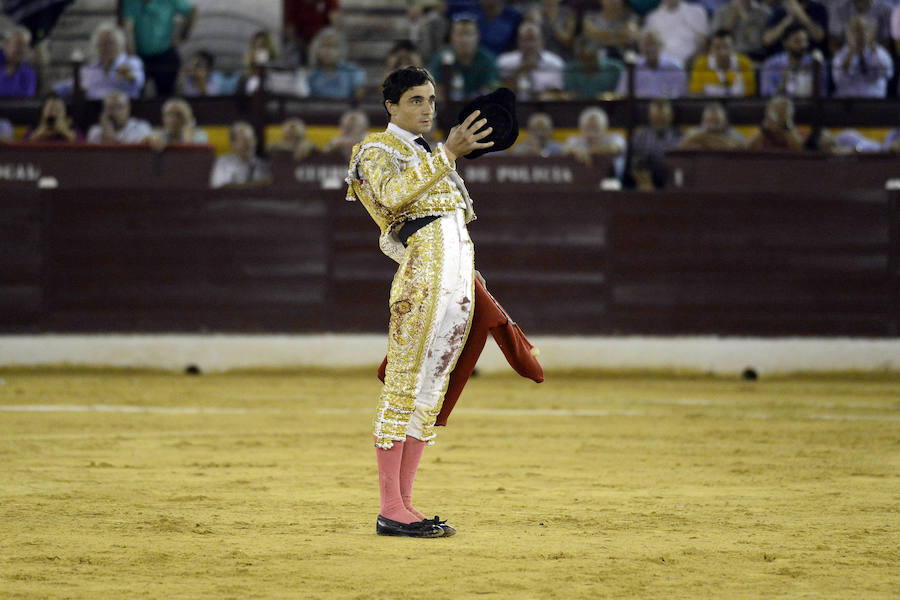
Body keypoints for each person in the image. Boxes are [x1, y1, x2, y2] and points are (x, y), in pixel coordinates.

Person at [344, 66, 493, 538]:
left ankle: (405, 505)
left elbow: (453, 224)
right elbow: (390, 202)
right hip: (423, 278)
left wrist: (467, 275)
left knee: (430, 391)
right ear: (391, 106)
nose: (427, 108)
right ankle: (390, 507)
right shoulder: (373, 151)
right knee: (404, 384)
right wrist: (448, 153)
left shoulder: (429, 153)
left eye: (430, 99)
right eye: (415, 100)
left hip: (455, 277)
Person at [121, 0, 196, 97]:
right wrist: (132, 58)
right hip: (140, 55)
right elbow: (128, 28)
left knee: (166, 94)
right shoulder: (130, 2)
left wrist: (182, 36)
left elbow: (192, 10)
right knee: (135, 92)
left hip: (164, 54)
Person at [428, 14, 500, 101]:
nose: (464, 40)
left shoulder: (487, 60)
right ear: (452, 37)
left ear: (477, 36)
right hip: (448, 109)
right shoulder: (441, 58)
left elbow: (492, 89)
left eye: (468, 34)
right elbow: (433, 89)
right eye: (459, 34)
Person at [72, 22, 145, 100]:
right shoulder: (90, 68)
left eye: (110, 43)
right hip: (93, 108)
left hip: (123, 107)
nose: (107, 48)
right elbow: (69, 85)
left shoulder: (132, 62)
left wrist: (129, 76)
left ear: (120, 44)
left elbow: (139, 81)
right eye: (102, 44)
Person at [497, 21, 565, 99]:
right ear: (518, 42)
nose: (529, 45)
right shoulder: (505, 62)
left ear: (541, 41)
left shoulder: (555, 63)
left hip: (544, 107)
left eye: (533, 39)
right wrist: (523, 70)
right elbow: (500, 92)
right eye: (525, 40)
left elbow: (558, 94)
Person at [831, 15, 894, 97]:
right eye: (855, 31)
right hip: (848, 104)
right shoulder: (841, 55)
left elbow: (888, 74)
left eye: (864, 30)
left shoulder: (880, 53)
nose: (860, 35)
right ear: (848, 34)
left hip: (875, 103)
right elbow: (838, 80)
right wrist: (850, 55)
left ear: (870, 33)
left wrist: (874, 51)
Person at [615, 29, 687, 97]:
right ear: (640, 48)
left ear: (661, 46)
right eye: (646, 44)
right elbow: (622, 94)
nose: (650, 48)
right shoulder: (632, 68)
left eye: (653, 43)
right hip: (638, 108)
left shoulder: (675, 68)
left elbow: (681, 97)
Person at [760, 23, 827, 96]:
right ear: (785, 43)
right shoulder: (771, 64)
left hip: (809, 105)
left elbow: (823, 95)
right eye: (797, 41)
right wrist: (783, 83)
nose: (803, 45)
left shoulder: (815, 63)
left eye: (805, 41)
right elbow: (766, 95)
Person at [630, 97, 681, 188]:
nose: (659, 120)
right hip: (647, 184)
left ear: (671, 116)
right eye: (656, 117)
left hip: (674, 182)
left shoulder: (680, 137)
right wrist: (646, 183)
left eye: (663, 117)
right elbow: (637, 164)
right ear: (649, 116)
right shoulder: (639, 137)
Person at [689, 29, 757, 96]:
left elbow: (750, 94)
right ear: (711, 49)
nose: (722, 52)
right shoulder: (701, 65)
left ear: (733, 48)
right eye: (717, 48)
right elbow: (696, 94)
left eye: (726, 47)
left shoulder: (745, 64)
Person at [643, 0, 709, 67]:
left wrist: (691, 63)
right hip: (662, 68)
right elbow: (647, 46)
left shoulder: (696, 12)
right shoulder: (652, 17)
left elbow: (704, 45)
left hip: (690, 65)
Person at [306, 27, 366, 100]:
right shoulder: (311, 77)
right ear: (317, 50)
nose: (328, 51)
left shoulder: (353, 72)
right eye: (324, 46)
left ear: (341, 50)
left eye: (333, 47)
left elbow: (360, 99)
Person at [563, 106, 626, 173]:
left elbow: (614, 149)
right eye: (588, 126)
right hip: (581, 178)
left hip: (611, 179)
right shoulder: (575, 140)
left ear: (604, 127)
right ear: (581, 127)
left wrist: (588, 152)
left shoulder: (615, 137)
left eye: (595, 127)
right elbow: (565, 150)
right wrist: (575, 151)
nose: (591, 131)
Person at [209, 121, 272, 188]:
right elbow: (220, 188)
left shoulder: (261, 164)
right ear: (232, 143)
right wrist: (256, 184)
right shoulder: (223, 163)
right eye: (244, 140)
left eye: (251, 140)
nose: (249, 144)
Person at [283, 0, 341, 66]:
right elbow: (290, 28)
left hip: (323, 41)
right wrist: (297, 42)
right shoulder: (294, 2)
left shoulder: (329, 2)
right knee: (291, 51)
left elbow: (335, 23)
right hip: (302, 43)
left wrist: (321, 45)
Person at [762, 0, 828, 56]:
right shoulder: (780, 9)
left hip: (809, 58)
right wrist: (788, 20)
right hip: (781, 59)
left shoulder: (818, 8)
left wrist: (800, 13)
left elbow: (819, 36)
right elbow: (767, 40)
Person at [86, 90, 152, 143]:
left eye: (120, 107)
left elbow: (123, 156)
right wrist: (107, 129)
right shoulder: (94, 132)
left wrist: (110, 135)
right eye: (111, 108)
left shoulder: (141, 128)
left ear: (128, 109)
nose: (116, 112)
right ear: (104, 111)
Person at [678, 101, 746, 149]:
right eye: (709, 120)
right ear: (703, 122)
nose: (712, 125)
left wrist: (701, 139)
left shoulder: (735, 135)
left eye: (716, 121)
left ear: (725, 122)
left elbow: (732, 147)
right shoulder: (692, 132)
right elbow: (681, 148)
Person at [0, 26, 37, 97]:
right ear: (6, 44)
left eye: (25, 46)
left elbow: (27, 97)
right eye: (18, 44)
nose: (22, 49)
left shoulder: (29, 71)